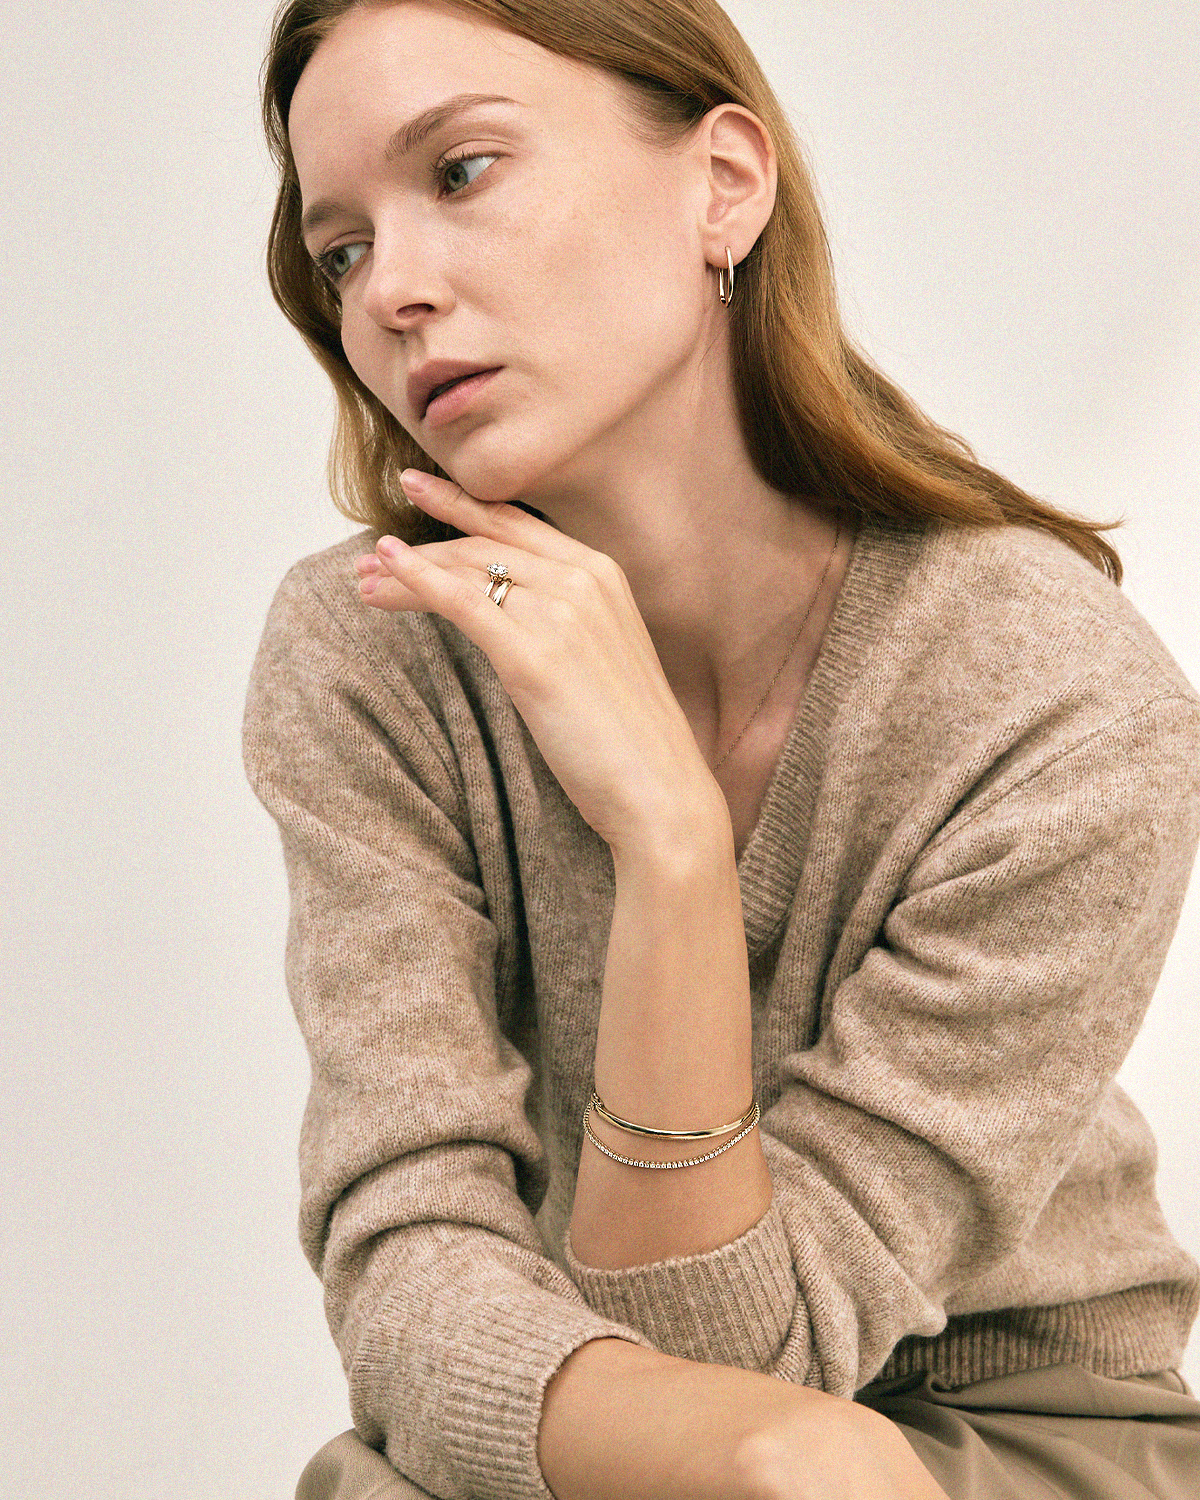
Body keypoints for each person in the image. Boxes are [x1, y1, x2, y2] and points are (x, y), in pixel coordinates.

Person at [242, 1, 1200, 1496]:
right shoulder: (376, 646)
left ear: (724, 185)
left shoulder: (1053, 698)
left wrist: (671, 844)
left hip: (1003, 1426)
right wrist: (746, 1443)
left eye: (463, 171)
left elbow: (752, 1359)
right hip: (581, 1411)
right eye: (343, 251)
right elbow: (408, 1246)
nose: (395, 293)